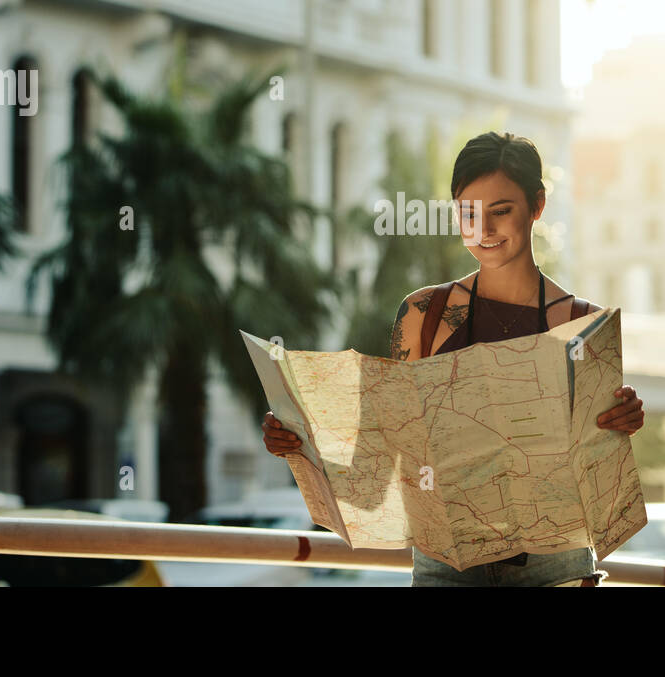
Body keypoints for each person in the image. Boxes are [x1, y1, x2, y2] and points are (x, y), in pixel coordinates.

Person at [262, 130, 645, 586]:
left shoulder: (581, 324)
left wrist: (620, 421)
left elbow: (595, 471)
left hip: (553, 562)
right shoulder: (424, 315)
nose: (483, 230)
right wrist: (299, 442)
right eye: (468, 214)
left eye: (501, 212)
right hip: (447, 563)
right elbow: (385, 449)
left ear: (537, 206)